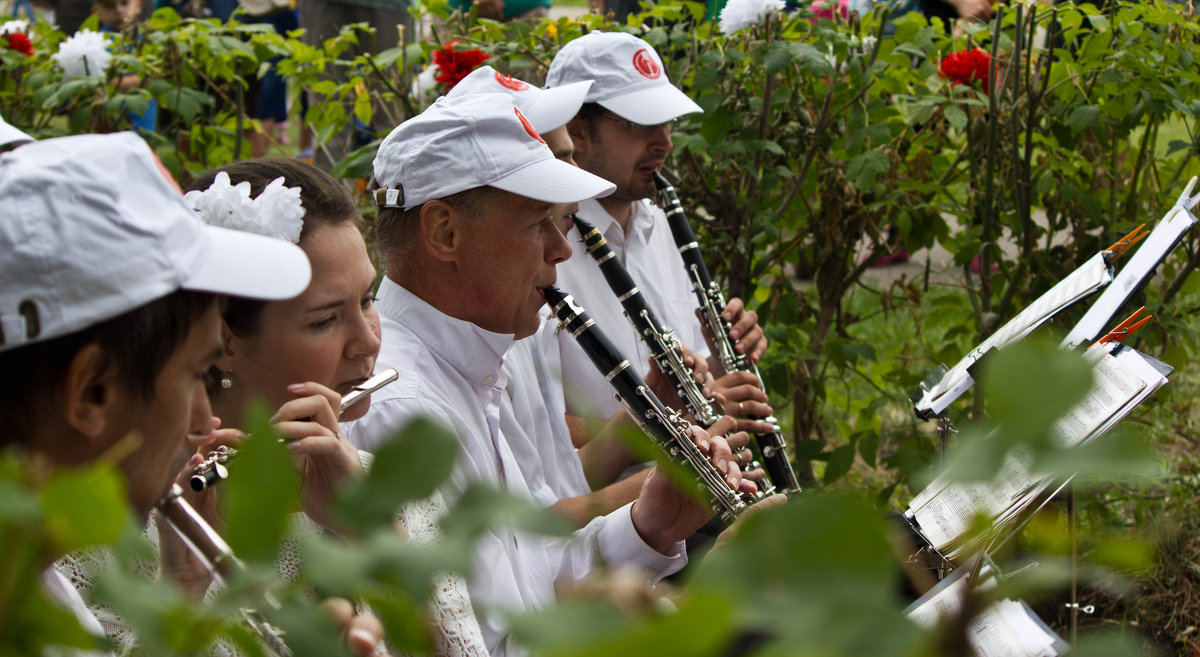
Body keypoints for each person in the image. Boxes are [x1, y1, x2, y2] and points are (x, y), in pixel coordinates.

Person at [346, 92, 755, 655]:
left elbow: (534, 584)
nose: (562, 250)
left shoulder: (470, 361)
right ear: (443, 233)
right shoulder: (403, 411)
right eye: (539, 222)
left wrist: (649, 524)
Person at [180, 158, 490, 656]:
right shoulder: (148, 532)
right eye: (325, 321)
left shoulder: (383, 495)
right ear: (224, 338)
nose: (367, 342)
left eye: (368, 300)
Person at [544, 32, 773, 474]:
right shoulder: (543, 246)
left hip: (695, 492)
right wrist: (673, 424)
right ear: (578, 133)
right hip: (613, 510)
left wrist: (720, 364)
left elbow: (686, 370)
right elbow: (534, 425)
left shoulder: (662, 224)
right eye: (640, 124)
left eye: (667, 123)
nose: (664, 142)